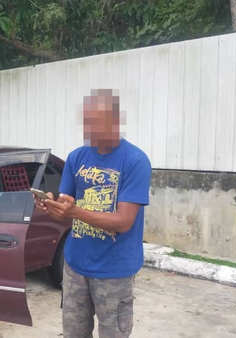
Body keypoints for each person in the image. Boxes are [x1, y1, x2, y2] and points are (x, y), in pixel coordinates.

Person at [35, 89, 152, 338]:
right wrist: (51, 207)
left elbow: (123, 222)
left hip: (114, 271)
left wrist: (75, 210)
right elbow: (65, 214)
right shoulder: (76, 157)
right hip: (75, 267)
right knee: (73, 334)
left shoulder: (135, 161)